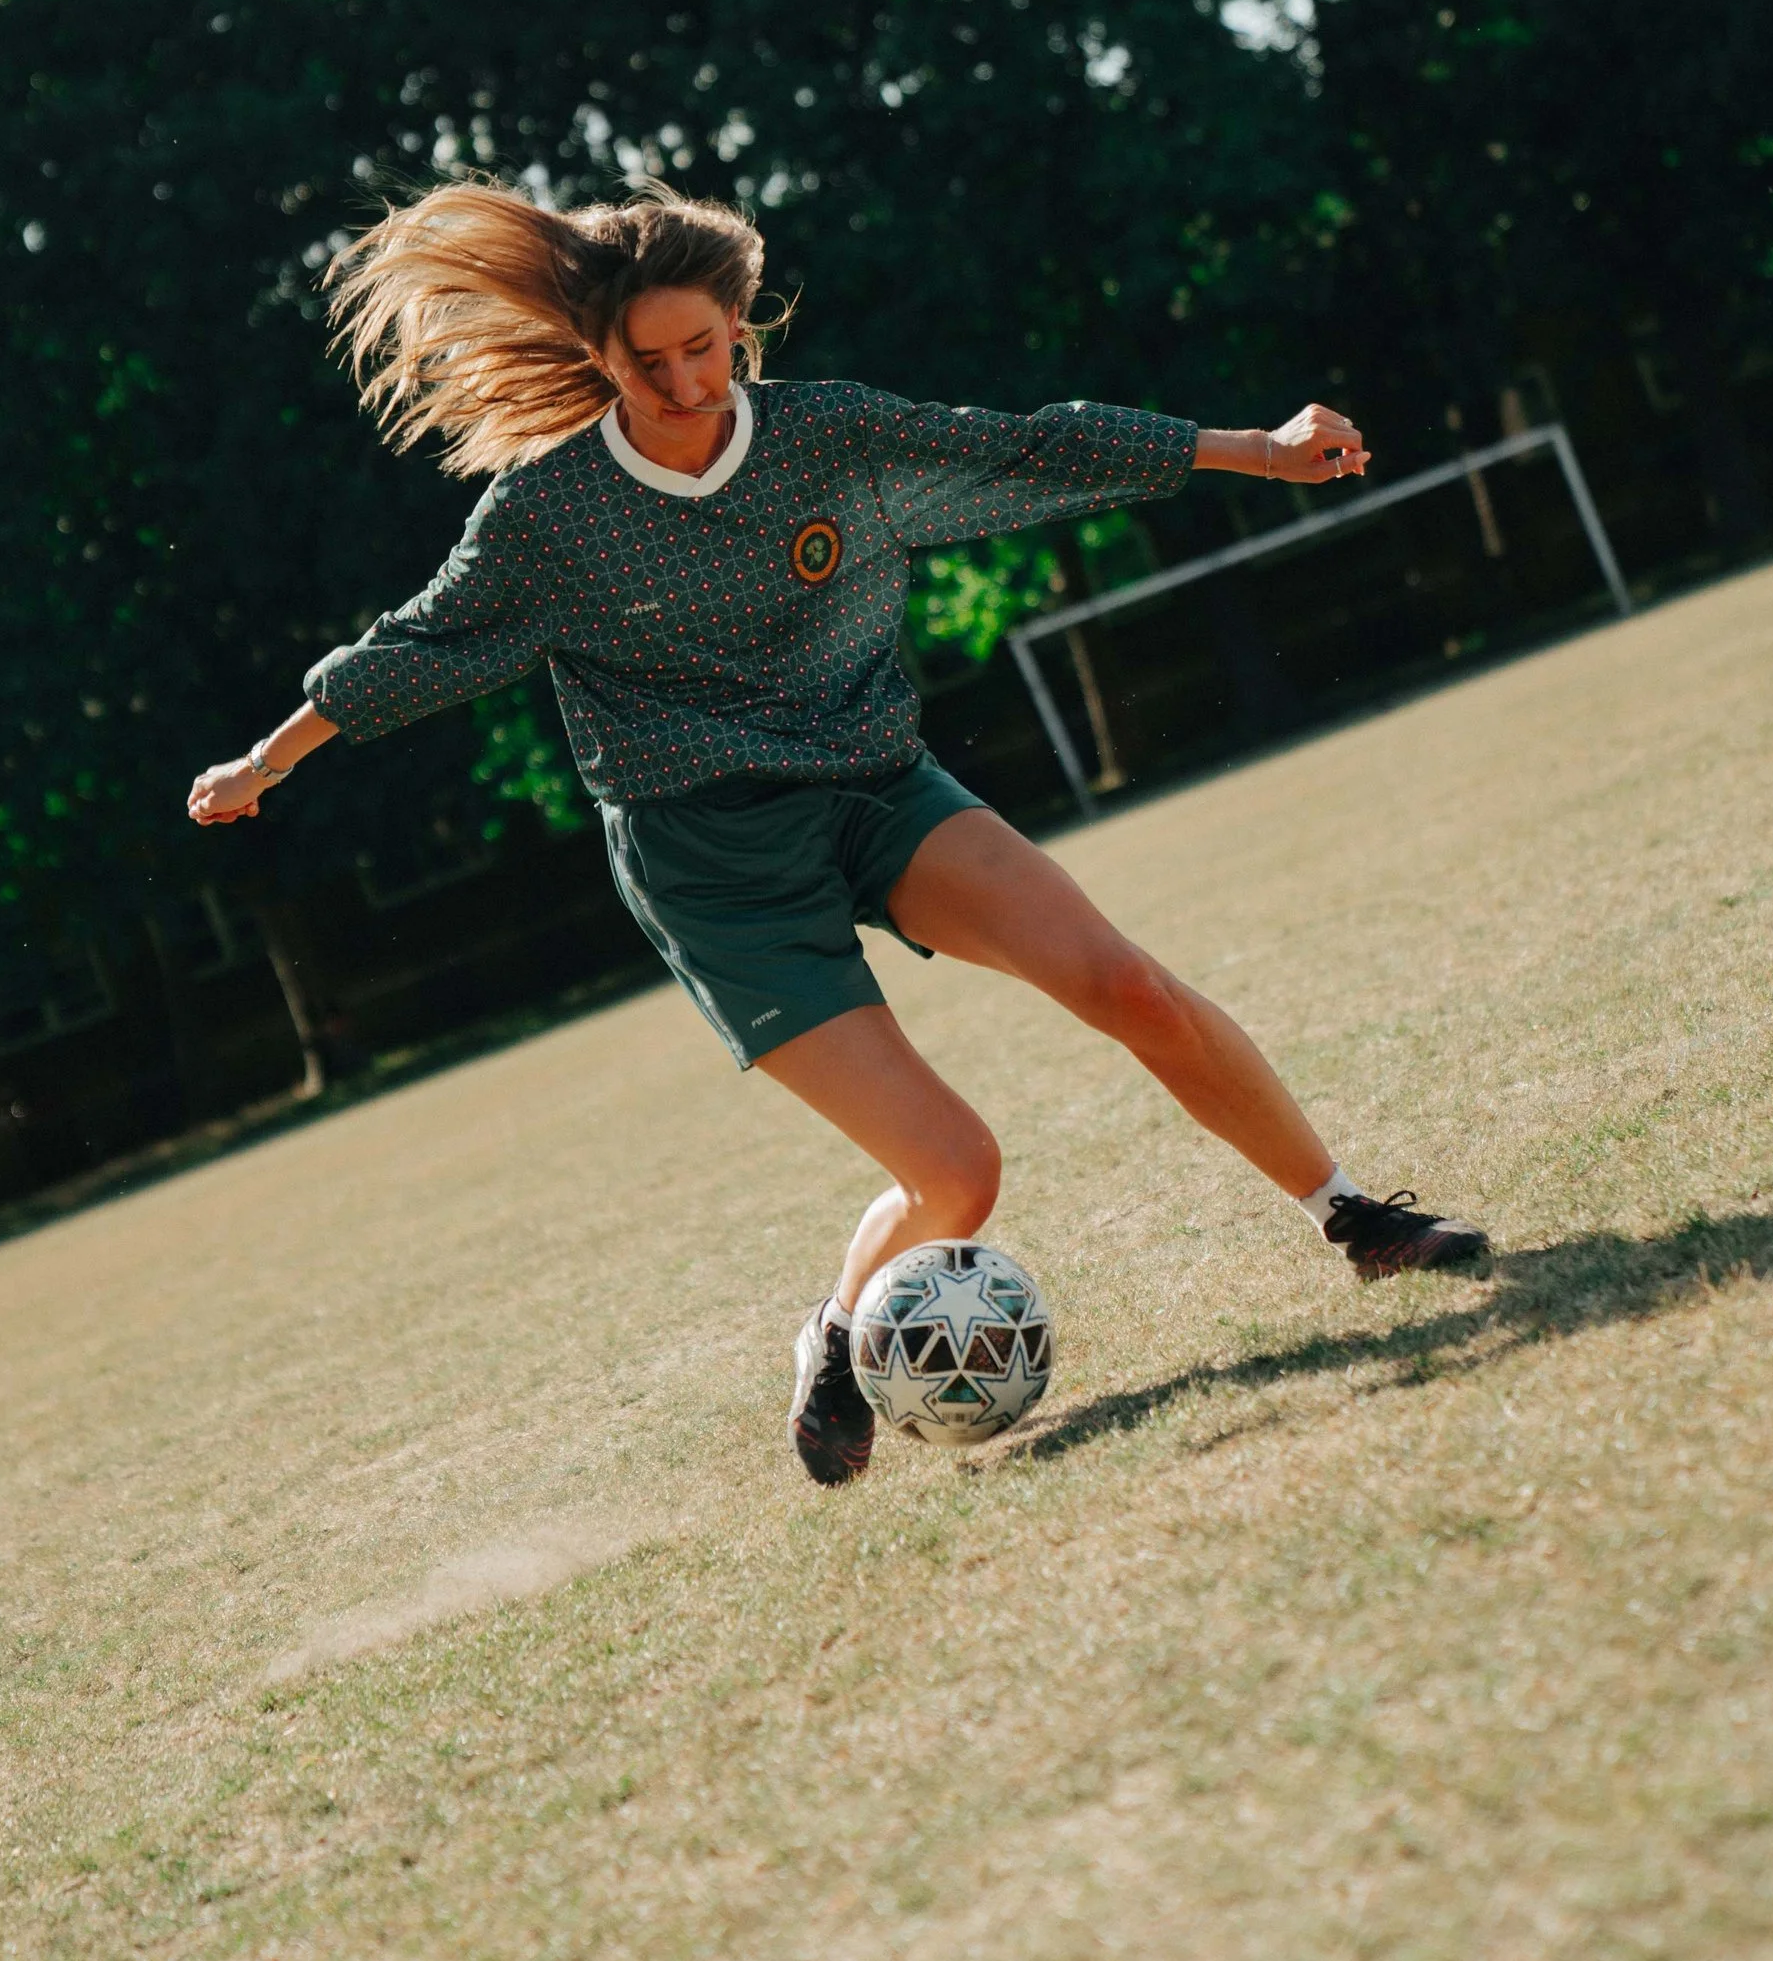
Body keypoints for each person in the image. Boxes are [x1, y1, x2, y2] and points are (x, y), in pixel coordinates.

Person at [186, 181, 1491, 1484]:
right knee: (960, 1171)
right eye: (650, 362)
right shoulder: (550, 519)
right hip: (715, 869)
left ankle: (1354, 1214)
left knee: (1125, 982)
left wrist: (1253, 448)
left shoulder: (831, 434)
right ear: (600, 356)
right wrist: (265, 759)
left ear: (741, 326)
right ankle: (837, 1329)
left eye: (708, 346)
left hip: (876, 787)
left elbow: (1027, 449)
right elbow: (415, 647)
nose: (687, 380)